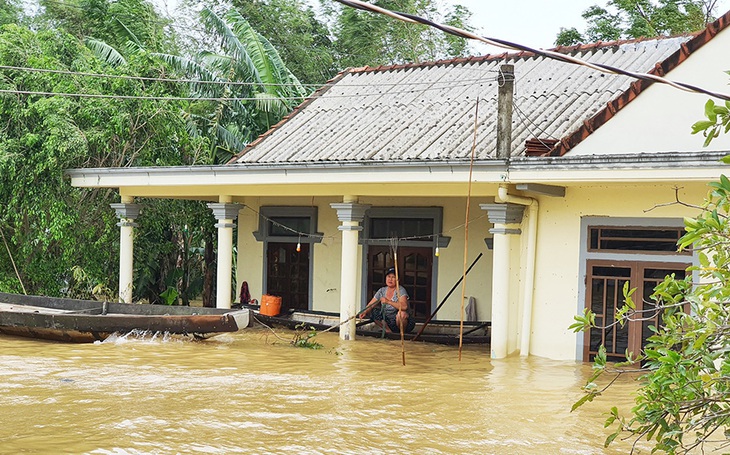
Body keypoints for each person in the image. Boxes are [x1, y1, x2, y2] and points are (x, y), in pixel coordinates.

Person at [360, 267, 415, 333]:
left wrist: (388, 301)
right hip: (388, 322)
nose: (390, 279)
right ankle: (388, 331)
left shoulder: (400, 290)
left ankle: (401, 333)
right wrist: (364, 312)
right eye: (389, 276)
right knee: (374, 312)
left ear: (398, 280)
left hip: (403, 323)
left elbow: (404, 306)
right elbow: (371, 305)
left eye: (393, 277)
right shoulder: (382, 291)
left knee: (401, 314)